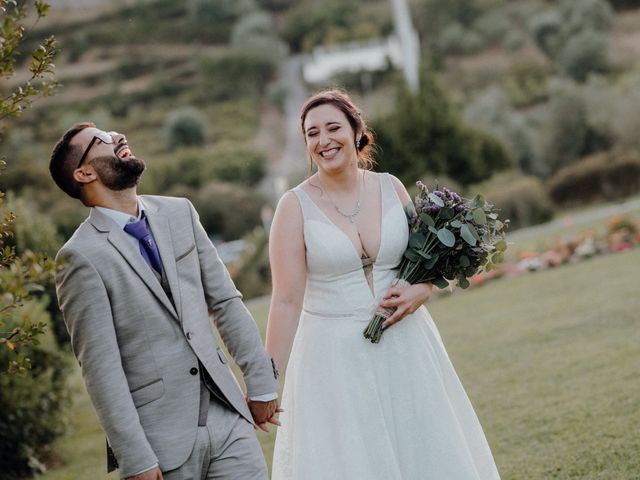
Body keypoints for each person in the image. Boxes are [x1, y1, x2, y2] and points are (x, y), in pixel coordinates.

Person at [265, 90, 501, 479]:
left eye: (333, 128)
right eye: (312, 134)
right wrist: (266, 382)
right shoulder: (293, 207)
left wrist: (423, 292)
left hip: (407, 345)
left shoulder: (391, 186)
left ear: (357, 131)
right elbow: (286, 301)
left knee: (426, 450)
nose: (323, 140)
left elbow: (423, 263)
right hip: (332, 359)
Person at [49, 123, 280, 480]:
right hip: (160, 441)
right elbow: (101, 369)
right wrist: (135, 457)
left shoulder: (180, 213)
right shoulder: (79, 258)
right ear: (84, 172)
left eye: (112, 133)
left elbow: (225, 301)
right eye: (102, 140)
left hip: (228, 418)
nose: (118, 137)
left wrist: (261, 382)